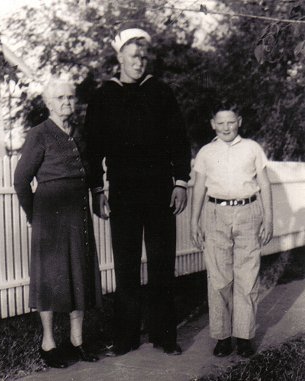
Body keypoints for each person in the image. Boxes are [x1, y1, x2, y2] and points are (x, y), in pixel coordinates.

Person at [85, 27, 191, 356]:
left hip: (160, 190)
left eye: (143, 56)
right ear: (119, 58)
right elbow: (92, 147)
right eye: (134, 56)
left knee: (161, 263)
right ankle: (127, 337)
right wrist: (97, 190)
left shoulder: (161, 92)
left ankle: (165, 335)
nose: (140, 62)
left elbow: (179, 140)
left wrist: (180, 182)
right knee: (126, 266)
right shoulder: (104, 96)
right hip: (124, 194)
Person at [14, 77, 102, 368]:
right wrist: (34, 214)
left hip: (78, 213)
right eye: (61, 98)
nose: (68, 103)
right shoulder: (39, 134)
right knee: (50, 278)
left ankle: (77, 341)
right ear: (49, 103)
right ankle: (48, 343)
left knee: (79, 274)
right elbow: (21, 180)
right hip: (49, 216)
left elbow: (89, 173)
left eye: (71, 97)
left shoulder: (79, 133)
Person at [191, 100, 273, 358]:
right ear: (213, 124)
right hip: (216, 214)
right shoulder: (205, 152)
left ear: (239, 122)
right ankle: (223, 337)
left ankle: (244, 335)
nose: (226, 127)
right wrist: (194, 221)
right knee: (218, 278)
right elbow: (199, 188)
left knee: (247, 276)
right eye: (221, 123)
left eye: (231, 122)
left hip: (249, 212)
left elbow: (265, 184)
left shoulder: (252, 148)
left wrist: (269, 219)